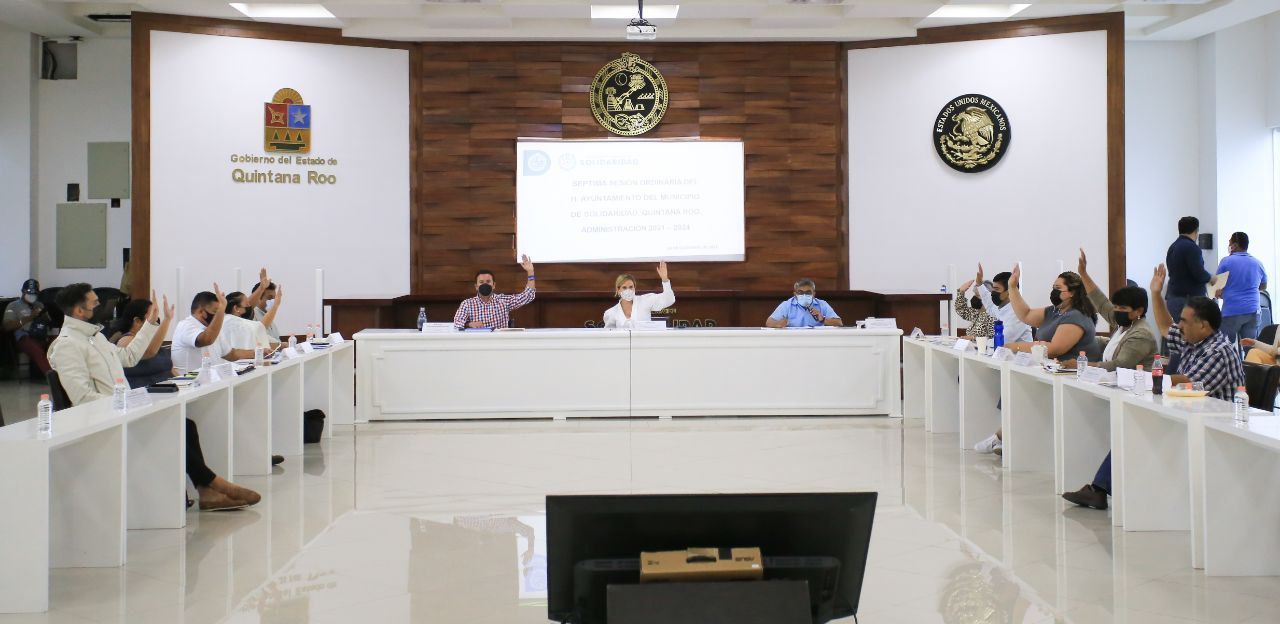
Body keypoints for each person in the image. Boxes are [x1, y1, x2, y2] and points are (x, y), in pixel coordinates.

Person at [46, 283, 258, 511]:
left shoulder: (95, 337)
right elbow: (82, 397)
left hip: (122, 410)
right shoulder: (67, 345)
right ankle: (214, 484)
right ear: (79, 311)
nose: (103, 306)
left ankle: (207, 490)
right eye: (95, 303)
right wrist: (125, 404)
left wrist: (150, 324)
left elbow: (128, 357)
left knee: (185, 425)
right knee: (175, 427)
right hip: (105, 419)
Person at [1062, 265, 1244, 510]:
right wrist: (1156, 294)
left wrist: (1149, 378)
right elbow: (1166, 327)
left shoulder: (1218, 350)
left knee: (1139, 428)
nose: (1179, 326)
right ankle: (1100, 490)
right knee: (1135, 426)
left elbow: (1189, 382)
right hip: (1189, 414)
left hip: (1215, 425)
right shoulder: (1194, 341)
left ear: (1203, 325)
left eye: (1184, 321)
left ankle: (1102, 490)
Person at [1004, 266, 1101, 363]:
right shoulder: (1054, 311)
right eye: (1053, 288)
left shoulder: (1077, 315)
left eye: (1058, 288)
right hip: (1051, 367)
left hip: (1074, 370)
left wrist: (1014, 347)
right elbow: (1026, 314)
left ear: (1072, 292)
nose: (1054, 292)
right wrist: (1012, 287)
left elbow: (1053, 350)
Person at [171, 285, 257, 373]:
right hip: (192, 380)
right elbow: (207, 340)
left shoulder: (213, 329)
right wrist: (222, 308)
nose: (219, 316)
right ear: (201, 312)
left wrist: (257, 353)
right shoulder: (185, 326)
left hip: (215, 378)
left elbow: (232, 354)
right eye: (215, 312)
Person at [453, 255, 536, 330]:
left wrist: (530, 272)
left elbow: (528, 296)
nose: (485, 284)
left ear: (494, 285)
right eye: (481, 282)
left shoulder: (503, 300)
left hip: (500, 340)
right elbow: (457, 323)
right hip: (478, 341)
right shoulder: (467, 304)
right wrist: (469, 324)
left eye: (488, 281)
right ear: (476, 286)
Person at [109, 298, 176, 389]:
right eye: (153, 318)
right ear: (137, 321)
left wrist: (184, 382)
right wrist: (167, 319)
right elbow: (150, 351)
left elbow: (170, 369)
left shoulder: (152, 341)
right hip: (144, 393)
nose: (156, 322)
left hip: (169, 389)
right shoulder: (125, 341)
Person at [1214, 231, 1268, 342]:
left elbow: (1216, 286)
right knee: (1250, 346)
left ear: (1235, 245)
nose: (1229, 245)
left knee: (1226, 346)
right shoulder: (1257, 263)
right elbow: (1263, 286)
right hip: (1253, 311)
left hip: (1232, 311)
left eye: (1230, 242)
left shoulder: (1226, 261)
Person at [1165, 216, 1212, 322]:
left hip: (1173, 298)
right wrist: (1211, 278)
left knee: (1180, 329)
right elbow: (1199, 274)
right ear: (1196, 231)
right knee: (1191, 331)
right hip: (1188, 300)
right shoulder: (1191, 247)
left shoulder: (1173, 246)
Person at [602, 262, 675, 329]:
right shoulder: (611, 313)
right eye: (624, 287)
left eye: (631, 287)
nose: (628, 290)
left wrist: (665, 279)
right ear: (618, 290)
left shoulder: (646, 300)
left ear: (634, 288)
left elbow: (669, 300)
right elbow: (609, 336)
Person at [2, 278, 52, 375]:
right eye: (29, 293)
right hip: (24, 336)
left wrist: (45, 317)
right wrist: (30, 317)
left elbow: (49, 322)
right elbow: (7, 326)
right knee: (37, 350)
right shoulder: (13, 305)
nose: (31, 295)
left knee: (59, 345)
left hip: (42, 334)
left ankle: (65, 375)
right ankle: (52, 377)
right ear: (23, 291)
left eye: (34, 293)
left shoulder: (39, 305)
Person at [975, 264, 1033, 344]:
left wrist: (979, 342)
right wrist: (979, 284)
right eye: (993, 289)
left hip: (1019, 352)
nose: (993, 293)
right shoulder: (1003, 307)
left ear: (1009, 291)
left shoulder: (1017, 314)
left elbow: (1002, 341)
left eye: (996, 289)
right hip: (1005, 350)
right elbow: (990, 305)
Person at [765, 278, 843, 328]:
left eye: (808, 292)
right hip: (793, 340)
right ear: (795, 294)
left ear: (814, 294)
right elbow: (769, 322)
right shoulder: (786, 305)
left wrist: (822, 319)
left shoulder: (822, 304)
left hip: (816, 340)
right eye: (800, 292)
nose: (804, 295)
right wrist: (778, 324)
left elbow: (839, 323)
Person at [249, 269, 281, 341]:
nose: (274, 301)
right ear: (259, 298)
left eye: (275, 298)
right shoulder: (252, 315)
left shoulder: (270, 317)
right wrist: (281, 344)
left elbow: (277, 339)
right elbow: (258, 337)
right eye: (270, 298)